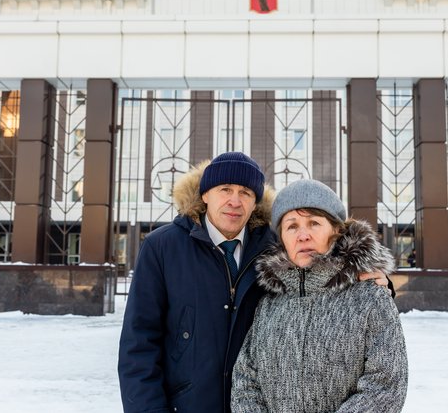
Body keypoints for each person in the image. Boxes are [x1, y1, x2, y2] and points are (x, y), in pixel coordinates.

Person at [118, 152, 390, 413]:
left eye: (246, 193)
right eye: (225, 189)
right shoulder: (163, 247)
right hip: (186, 405)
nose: (235, 201)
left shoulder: (273, 247)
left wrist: (374, 281)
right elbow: (139, 342)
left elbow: (324, 268)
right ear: (205, 195)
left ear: (255, 202)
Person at [232, 179, 409, 412]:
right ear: (282, 239)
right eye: (292, 226)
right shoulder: (269, 304)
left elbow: (386, 386)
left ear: (335, 230)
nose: (303, 235)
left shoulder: (370, 297)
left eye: (314, 223)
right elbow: (245, 380)